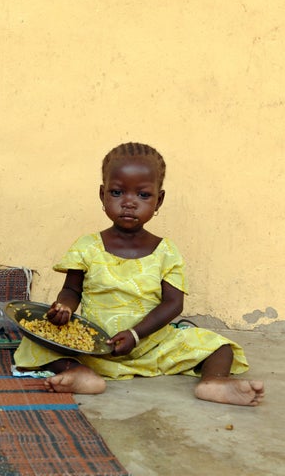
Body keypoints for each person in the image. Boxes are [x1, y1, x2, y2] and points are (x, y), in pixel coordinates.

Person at [14, 142, 265, 406]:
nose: (129, 203)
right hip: (92, 344)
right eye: (117, 192)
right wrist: (64, 306)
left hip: (150, 342)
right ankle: (80, 373)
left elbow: (173, 303)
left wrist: (135, 334)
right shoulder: (87, 246)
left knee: (219, 346)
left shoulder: (166, 251)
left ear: (160, 199)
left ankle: (214, 382)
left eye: (143, 195)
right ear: (102, 195)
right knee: (34, 342)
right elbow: (72, 290)